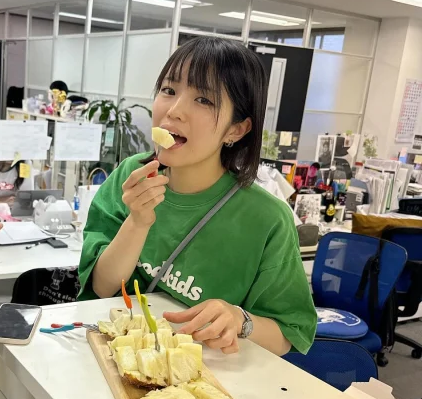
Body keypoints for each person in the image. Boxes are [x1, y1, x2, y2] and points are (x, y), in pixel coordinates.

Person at [79, 36, 316, 356]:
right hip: (121, 357)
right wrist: (137, 222)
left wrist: (240, 319)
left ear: (236, 130)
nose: (174, 111)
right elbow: (101, 287)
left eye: (204, 100)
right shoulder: (131, 176)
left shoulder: (267, 219)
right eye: (169, 90)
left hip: (205, 375)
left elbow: (290, 334)